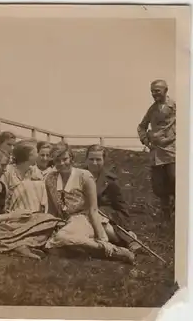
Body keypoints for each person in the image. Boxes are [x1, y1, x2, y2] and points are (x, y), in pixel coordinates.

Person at [43, 142, 135, 264]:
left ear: (71, 158)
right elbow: (52, 210)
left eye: (64, 159)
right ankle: (90, 250)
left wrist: (103, 238)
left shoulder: (84, 176)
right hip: (64, 220)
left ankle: (115, 251)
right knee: (52, 246)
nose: (61, 163)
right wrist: (50, 227)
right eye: (57, 160)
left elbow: (93, 210)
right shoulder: (50, 178)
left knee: (61, 238)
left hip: (84, 219)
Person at [0, 145, 63, 260]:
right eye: (2, 165)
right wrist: (10, 215)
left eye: (6, 166)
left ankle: (21, 244)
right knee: (37, 226)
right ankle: (23, 245)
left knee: (48, 219)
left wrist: (16, 215)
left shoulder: (1, 185)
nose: (5, 169)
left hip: (5, 225)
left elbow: (4, 209)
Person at [84, 145, 142, 252]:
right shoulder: (79, 175)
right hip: (83, 212)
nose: (94, 163)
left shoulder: (110, 181)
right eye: (91, 159)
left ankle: (127, 241)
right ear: (86, 159)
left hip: (106, 214)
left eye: (98, 159)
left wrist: (126, 227)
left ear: (104, 160)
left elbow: (120, 205)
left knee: (101, 221)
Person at [137, 79, 176, 221]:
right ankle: (166, 216)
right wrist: (147, 141)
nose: (154, 94)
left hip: (173, 152)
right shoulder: (152, 109)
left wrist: (173, 137)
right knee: (159, 185)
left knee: (175, 181)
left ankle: (180, 214)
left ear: (166, 90)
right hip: (156, 153)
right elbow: (141, 126)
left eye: (157, 90)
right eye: (152, 91)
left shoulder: (176, 106)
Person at [3, 140, 48, 213]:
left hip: (31, 210)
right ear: (29, 156)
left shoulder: (34, 171)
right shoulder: (8, 171)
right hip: (12, 210)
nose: (38, 155)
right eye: (36, 152)